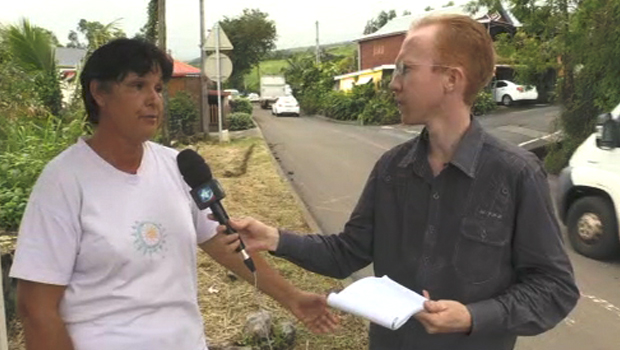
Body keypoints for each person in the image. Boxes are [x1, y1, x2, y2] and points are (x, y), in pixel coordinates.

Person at [217, 14, 580, 350]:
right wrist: (274, 238)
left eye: (405, 70)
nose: (393, 84)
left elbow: (554, 288)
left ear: (452, 79)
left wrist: (473, 317)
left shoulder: (516, 173)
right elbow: (347, 252)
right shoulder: (392, 169)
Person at [9, 38, 336, 350]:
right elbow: (36, 309)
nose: (154, 99)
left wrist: (292, 297)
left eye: (158, 88)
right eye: (138, 86)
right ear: (99, 93)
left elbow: (223, 245)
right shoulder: (63, 182)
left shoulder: (177, 166)